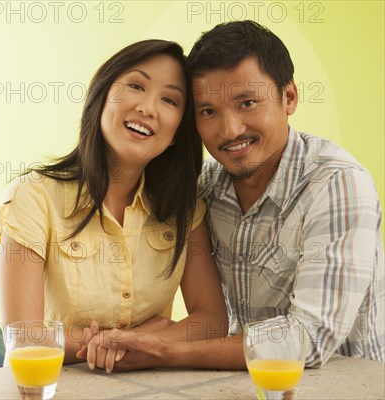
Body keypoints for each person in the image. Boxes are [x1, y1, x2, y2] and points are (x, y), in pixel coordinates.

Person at [84, 20, 384, 371]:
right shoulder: (206, 187)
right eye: (208, 112)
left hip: (345, 386)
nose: (229, 131)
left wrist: (165, 353)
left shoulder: (337, 184)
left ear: (289, 97)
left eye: (247, 103)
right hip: (244, 383)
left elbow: (308, 338)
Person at [0, 39, 228, 365]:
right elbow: (25, 336)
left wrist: (136, 342)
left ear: (176, 134)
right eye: (135, 85)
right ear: (102, 96)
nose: (147, 107)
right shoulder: (33, 196)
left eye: (169, 100)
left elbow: (212, 320)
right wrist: (130, 341)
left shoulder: (184, 209)